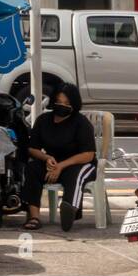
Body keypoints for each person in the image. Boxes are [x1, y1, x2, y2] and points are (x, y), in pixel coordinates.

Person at [22, 84, 96, 232]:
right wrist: (46, 158)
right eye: (59, 102)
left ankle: (69, 208)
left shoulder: (81, 123)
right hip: (52, 162)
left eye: (67, 103)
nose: (62, 106)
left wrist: (61, 166)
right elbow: (32, 148)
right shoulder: (43, 120)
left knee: (76, 175)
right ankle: (34, 217)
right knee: (31, 168)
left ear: (74, 105)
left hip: (79, 162)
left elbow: (89, 154)